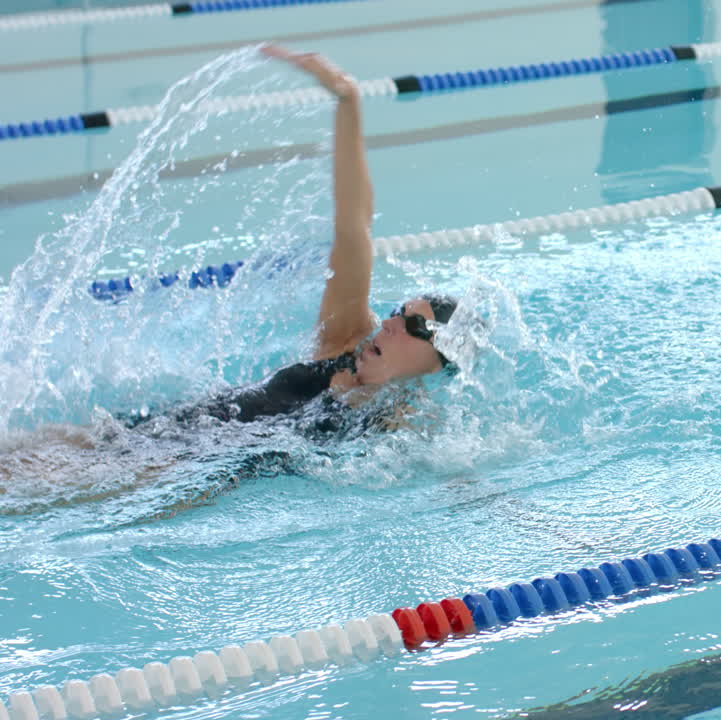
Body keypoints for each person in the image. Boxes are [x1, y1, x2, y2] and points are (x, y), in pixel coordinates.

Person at [0, 46, 458, 510]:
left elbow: (456, 481)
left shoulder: (402, 424)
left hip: (168, 474)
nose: (392, 323)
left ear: (440, 360)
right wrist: (348, 101)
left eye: (414, 327)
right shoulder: (344, 340)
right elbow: (353, 227)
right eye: (400, 312)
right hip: (157, 431)